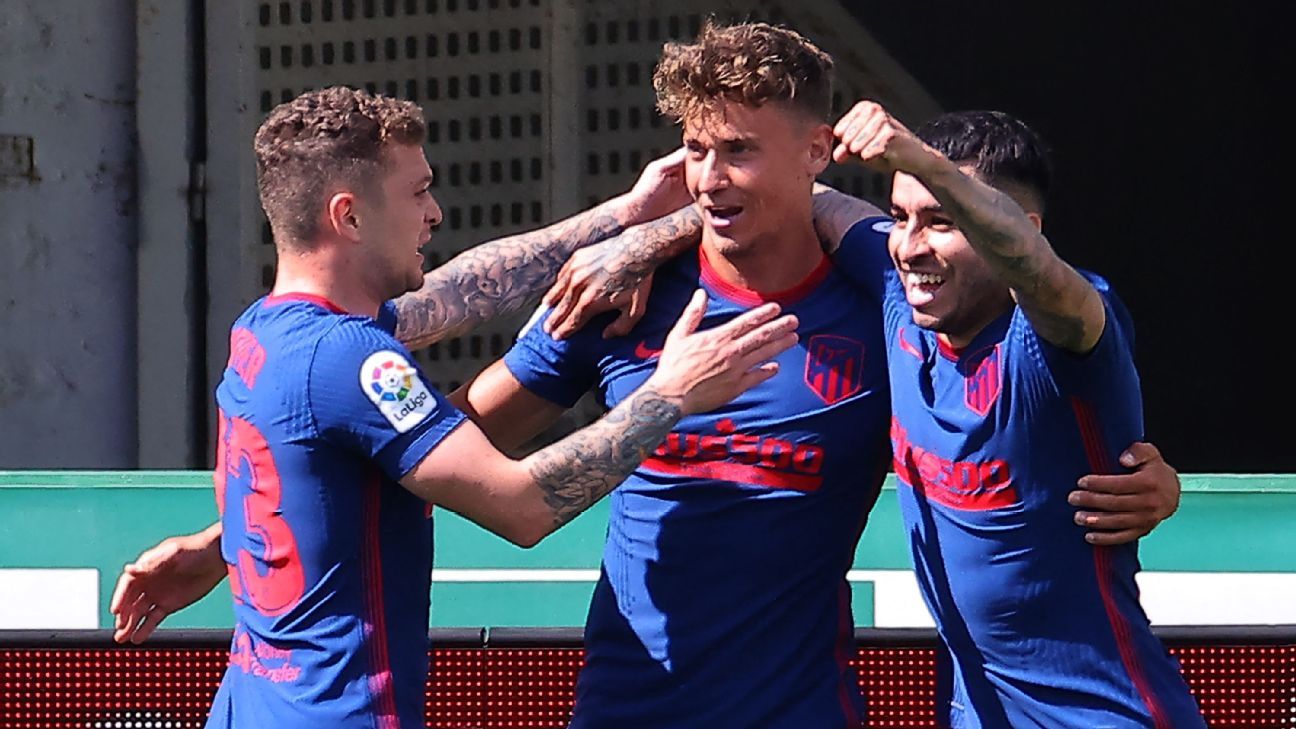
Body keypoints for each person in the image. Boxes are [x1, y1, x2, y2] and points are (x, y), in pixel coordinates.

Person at [114, 24, 1182, 728]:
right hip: (627, 704)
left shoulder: (882, 295)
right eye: (698, 150)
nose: (712, 177)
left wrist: (1153, 473)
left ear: (817, 152)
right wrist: (229, 536)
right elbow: (445, 443)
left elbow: (1040, 353)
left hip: (800, 710)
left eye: (742, 151)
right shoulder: (621, 296)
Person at [124, 84, 799, 729]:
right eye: (417, 191)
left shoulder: (264, 331)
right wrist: (671, 393)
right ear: (349, 216)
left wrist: (626, 215)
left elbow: (463, 291)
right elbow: (521, 506)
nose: (435, 213)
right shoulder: (353, 360)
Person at [822, 101, 1205, 726]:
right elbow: (799, 201)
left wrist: (922, 160)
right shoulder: (899, 301)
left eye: (942, 221)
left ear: (1023, 227)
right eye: (900, 216)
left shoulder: (1055, 336)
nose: (910, 247)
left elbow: (1038, 271)